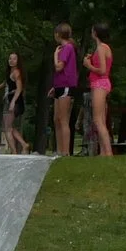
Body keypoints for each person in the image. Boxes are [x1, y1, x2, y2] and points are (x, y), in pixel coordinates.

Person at [48, 24, 81, 156]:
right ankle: (59, 149)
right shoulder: (64, 48)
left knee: (63, 119)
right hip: (59, 86)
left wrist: (55, 55)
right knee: (56, 119)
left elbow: (59, 67)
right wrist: (54, 87)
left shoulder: (67, 48)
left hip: (67, 86)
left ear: (58, 34)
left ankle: (65, 151)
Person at [84, 25, 116, 156]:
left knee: (97, 120)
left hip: (100, 84)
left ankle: (108, 153)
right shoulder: (104, 48)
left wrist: (88, 65)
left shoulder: (102, 48)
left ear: (95, 33)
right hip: (101, 84)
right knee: (101, 120)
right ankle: (103, 152)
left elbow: (102, 70)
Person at [0, 54, 31, 154]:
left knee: (7, 128)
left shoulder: (16, 73)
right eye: (10, 58)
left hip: (14, 101)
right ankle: (24, 144)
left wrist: (12, 102)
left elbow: (19, 88)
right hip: (11, 100)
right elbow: (6, 82)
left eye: (14, 59)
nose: (11, 60)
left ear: (18, 61)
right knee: (10, 127)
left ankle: (14, 151)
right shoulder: (10, 72)